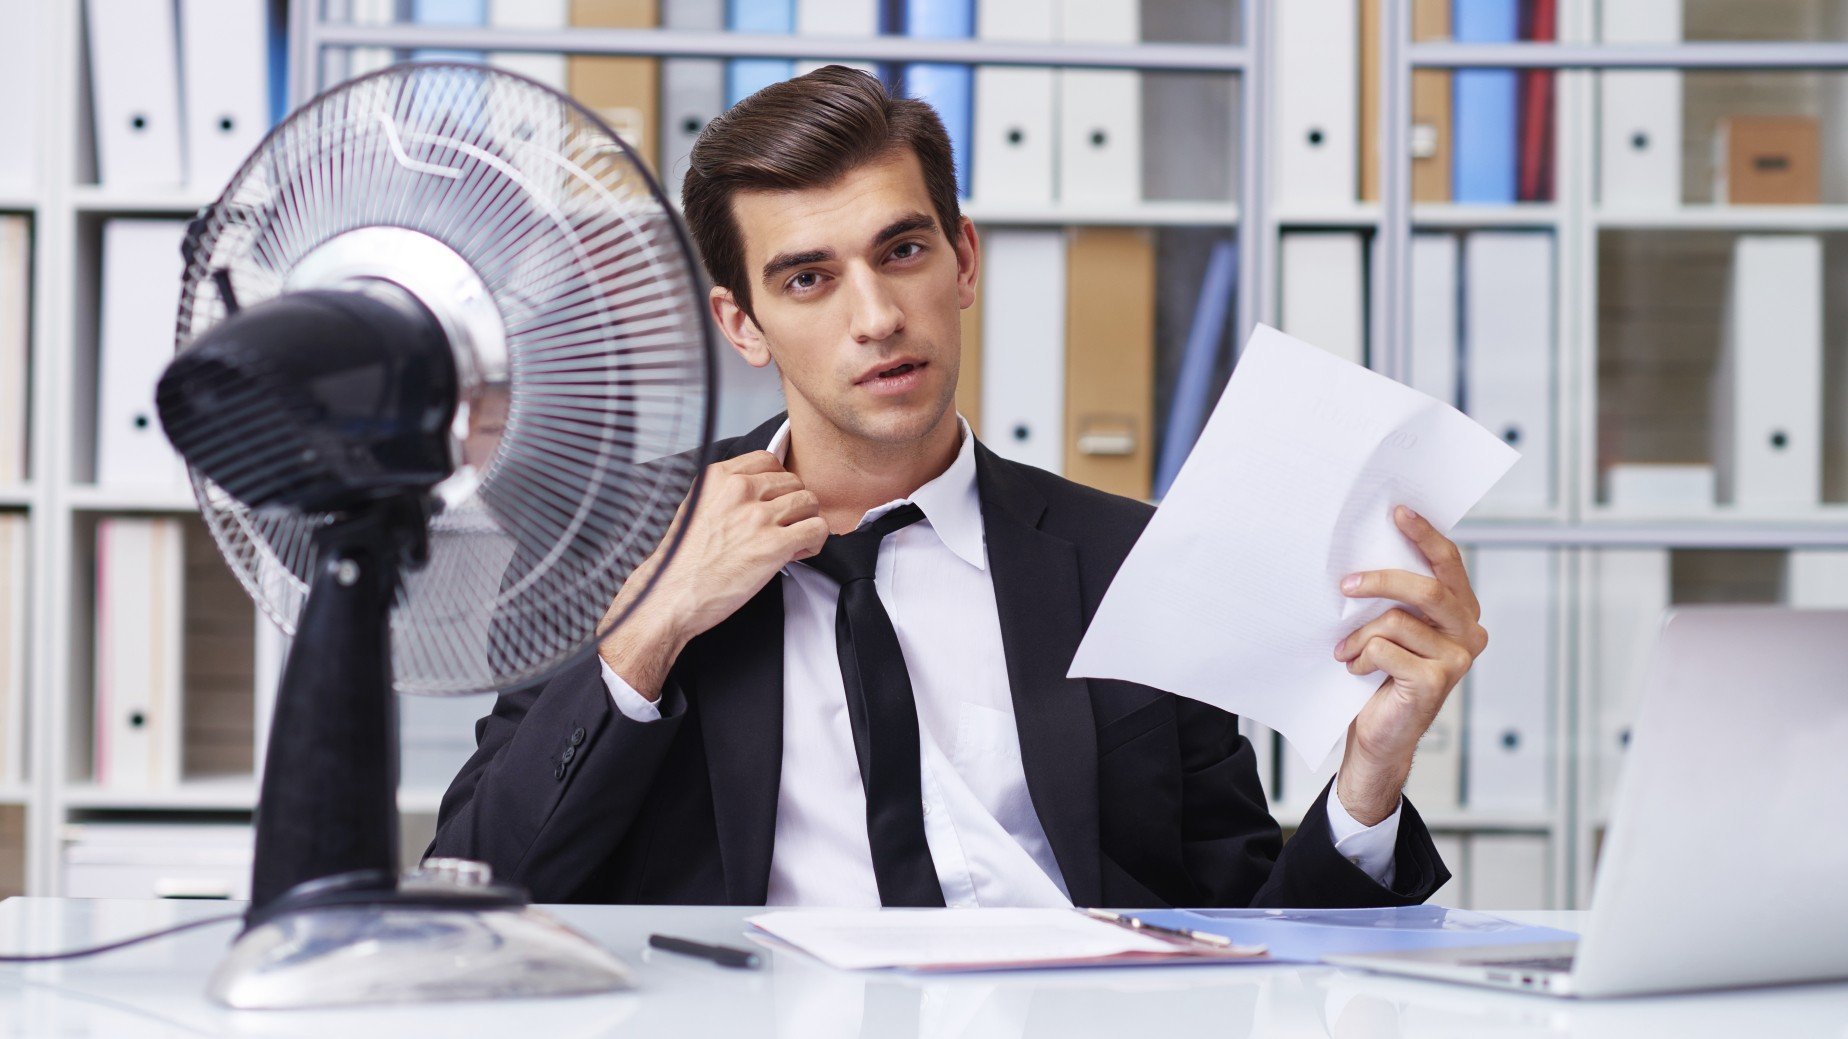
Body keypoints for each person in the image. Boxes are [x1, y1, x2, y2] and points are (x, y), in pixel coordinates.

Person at [428, 66, 1488, 908]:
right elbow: (480, 886)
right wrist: (651, 629)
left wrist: (1368, 780)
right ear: (740, 323)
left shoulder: (1126, 562)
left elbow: (1242, 942)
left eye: (903, 251)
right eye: (809, 278)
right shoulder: (619, 542)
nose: (878, 314)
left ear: (964, 261)